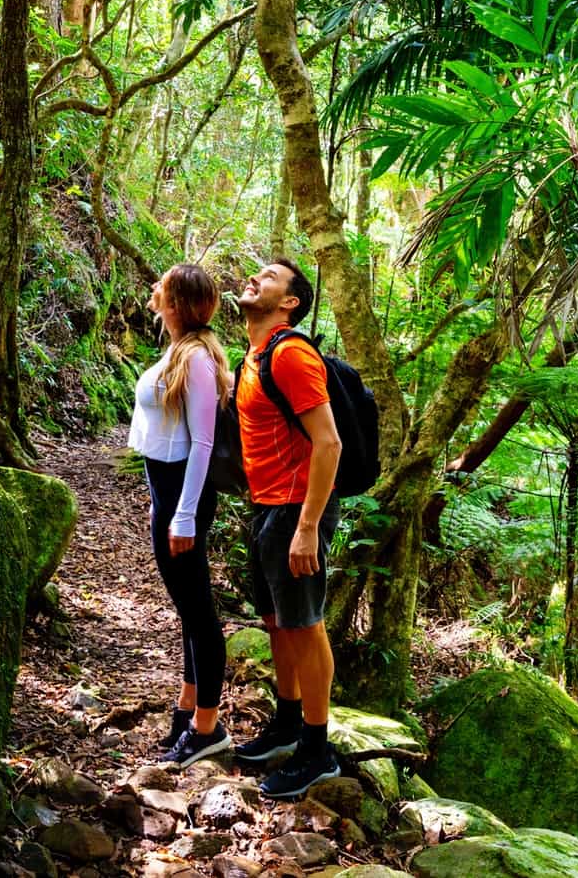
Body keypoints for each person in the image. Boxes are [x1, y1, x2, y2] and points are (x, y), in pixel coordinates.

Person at [228, 259, 346, 798]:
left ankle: (317, 751)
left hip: (298, 509)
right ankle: (287, 722)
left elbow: (329, 443)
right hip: (268, 507)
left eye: (269, 276)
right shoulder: (253, 356)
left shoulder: (292, 353)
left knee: (304, 624)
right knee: (278, 621)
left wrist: (308, 527)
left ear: (290, 301)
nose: (255, 277)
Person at [128, 262, 235, 766]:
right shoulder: (179, 349)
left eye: (163, 285)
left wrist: (184, 514)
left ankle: (207, 728)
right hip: (167, 492)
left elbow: (203, 442)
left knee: (198, 612)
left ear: (176, 302)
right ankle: (188, 708)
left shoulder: (194, 358)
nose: (154, 287)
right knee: (188, 610)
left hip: (181, 495)